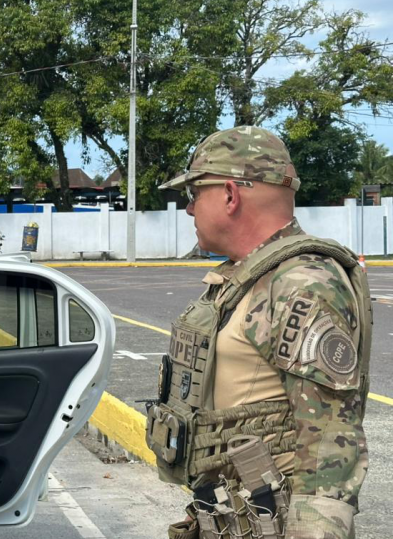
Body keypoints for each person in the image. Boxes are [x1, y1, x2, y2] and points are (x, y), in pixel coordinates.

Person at [151, 126, 371, 539]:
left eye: (194, 193)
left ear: (231, 195)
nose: (188, 209)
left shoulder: (301, 283)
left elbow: (330, 440)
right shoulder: (251, 278)